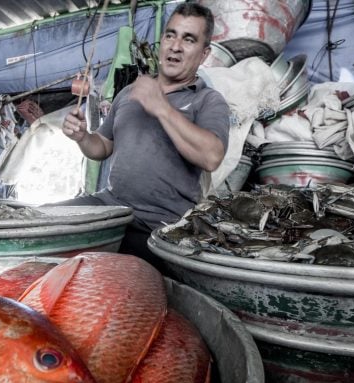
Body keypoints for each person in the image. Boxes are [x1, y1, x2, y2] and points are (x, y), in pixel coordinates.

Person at [60, 3, 230, 269]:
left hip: (160, 223)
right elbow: (102, 147)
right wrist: (82, 136)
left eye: (189, 39)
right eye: (170, 35)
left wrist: (161, 107)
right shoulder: (129, 93)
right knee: (40, 221)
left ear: (204, 53)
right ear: (161, 42)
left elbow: (212, 157)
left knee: (118, 273)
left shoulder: (208, 100)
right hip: (109, 206)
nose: (175, 46)